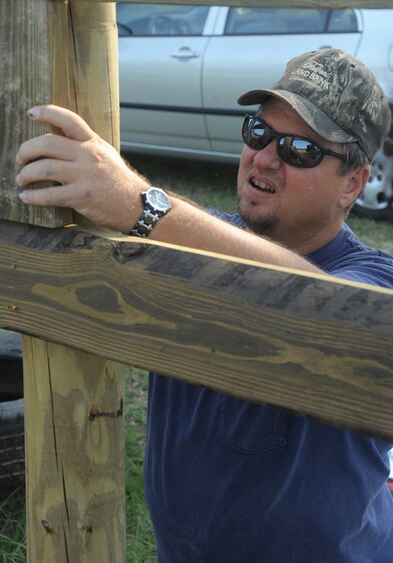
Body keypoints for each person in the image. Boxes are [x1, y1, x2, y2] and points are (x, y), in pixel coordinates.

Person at [15, 48, 393, 562]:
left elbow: (331, 311)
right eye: (258, 133)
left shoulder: (374, 276)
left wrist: (141, 205)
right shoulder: (201, 236)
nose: (263, 157)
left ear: (353, 182)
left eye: (300, 149)